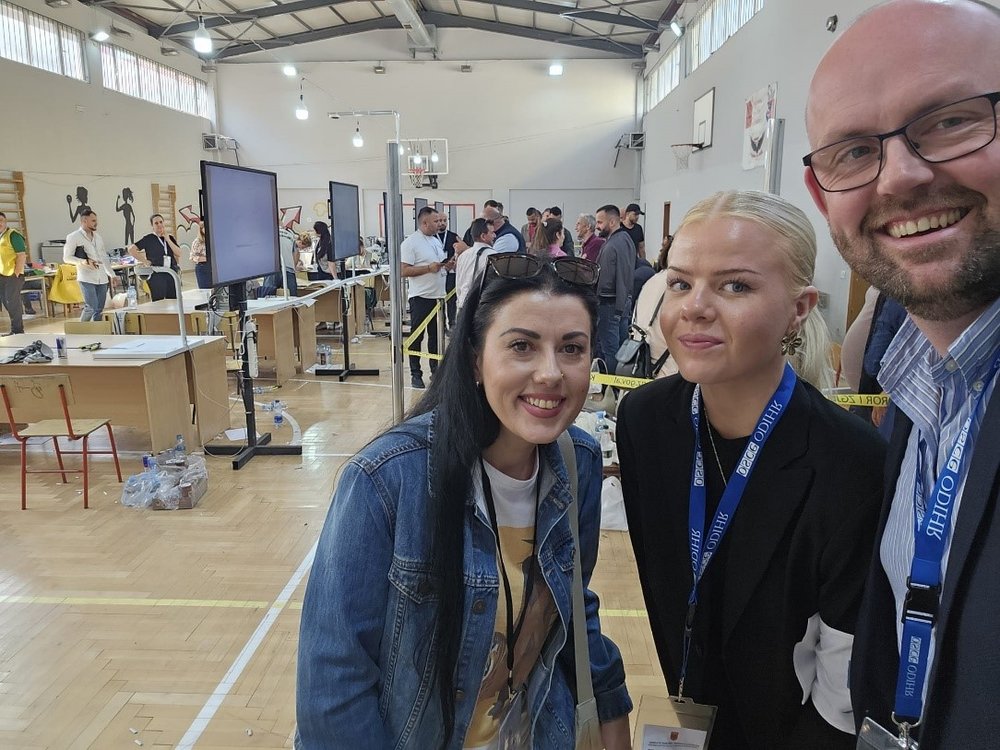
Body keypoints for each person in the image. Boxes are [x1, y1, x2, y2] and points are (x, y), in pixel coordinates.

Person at [295, 250, 632, 749]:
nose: (550, 373)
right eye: (522, 346)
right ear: (475, 359)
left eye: (572, 348)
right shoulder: (388, 480)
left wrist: (611, 706)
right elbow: (333, 685)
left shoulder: (578, 461)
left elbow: (572, 603)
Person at [617, 191, 885, 749]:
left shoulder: (850, 462)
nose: (694, 306)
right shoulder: (646, 422)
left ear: (800, 307)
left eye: (735, 285)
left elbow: (842, 685)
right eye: (680, 282)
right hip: (689, 710)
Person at [802, 2, 1000, 746]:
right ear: (825, 197)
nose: (900, 177)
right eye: (853, 151)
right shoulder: (919, 384)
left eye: (950, 120)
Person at [401, 206, 452, 389]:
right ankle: (415, 374)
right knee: (417, 336)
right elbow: (403, 270)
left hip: (439, 296)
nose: (439, 224)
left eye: (440, 221)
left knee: (436, 337)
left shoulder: (435, 239)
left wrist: (446, 266)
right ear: (424, 223)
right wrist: (428, 269)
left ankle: (436, 372)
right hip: (421, 297)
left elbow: (437, 265)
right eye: (435, 221)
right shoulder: (410, 243)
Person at [593, 204, 635, 364]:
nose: (597, 227)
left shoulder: (612, 245)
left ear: (611, 222)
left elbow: (606, 279)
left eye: (599, 222)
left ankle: (612, 386)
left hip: (610, 304)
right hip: (622, 303)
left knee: (610, 350)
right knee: (621, 350)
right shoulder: (627, 239)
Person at [64, 209, 116, 322]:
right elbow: (67, 258)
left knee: (99, 309)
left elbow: (104, 257)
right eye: (93, 220)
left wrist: (111, 274)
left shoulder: (98, 237)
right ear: (84, 220)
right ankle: (81, 330)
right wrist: (84, 262)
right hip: (86, 277)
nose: (96, 223)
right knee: (91, 307)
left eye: (96, 220)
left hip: (101, 277)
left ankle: (97, 331)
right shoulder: (73, 237)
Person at [127, 214, 181, 301]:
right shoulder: (148, 239)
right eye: (156, 223)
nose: (159, 225)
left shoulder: (169, 237)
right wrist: (145, 261)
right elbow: (131, 249)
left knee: (173, 300)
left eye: (161, 222)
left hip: (171, 272)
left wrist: (167, 239)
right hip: (157, 274)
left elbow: (179, 253)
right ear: (152, 226)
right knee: (158, 300)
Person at [454, 217, 496, 312]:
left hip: (463, 305)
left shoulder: (463, 255)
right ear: (483, 236)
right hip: (482, 307)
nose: (495, 235)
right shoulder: (493, 256)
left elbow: (458, 284)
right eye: (492, 233)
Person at [435, 211, 467, 329]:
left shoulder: (454, 236)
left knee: (451, 300)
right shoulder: (431, 237)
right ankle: (441, 325)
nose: (442, 223)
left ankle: (452, 324)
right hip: (437, 273)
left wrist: (455, 261)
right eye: (439, 221)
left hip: (451, 273)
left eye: (444, 220)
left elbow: (463, 252)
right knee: (440, 300)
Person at [189, 220, 211, 289]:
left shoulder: (212, 239)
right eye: (203, 227)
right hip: (202, 267)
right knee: (205, 290)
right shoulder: (197, 241)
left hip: (212, 267)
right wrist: (206, 258)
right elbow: (192, 257)